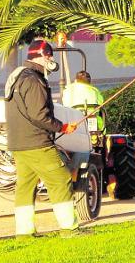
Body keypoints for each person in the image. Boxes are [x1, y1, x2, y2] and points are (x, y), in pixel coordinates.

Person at [4, 39, 79, 237]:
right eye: (50, 55)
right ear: (43, 57)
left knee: (25, 186)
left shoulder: (18, 76)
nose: (52, 59)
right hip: (37, 143)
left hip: (18, 143)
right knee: (61, 179)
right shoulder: (34, 80)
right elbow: (39, 115)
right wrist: (62, 126)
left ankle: (24, 232)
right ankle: (69, 229)